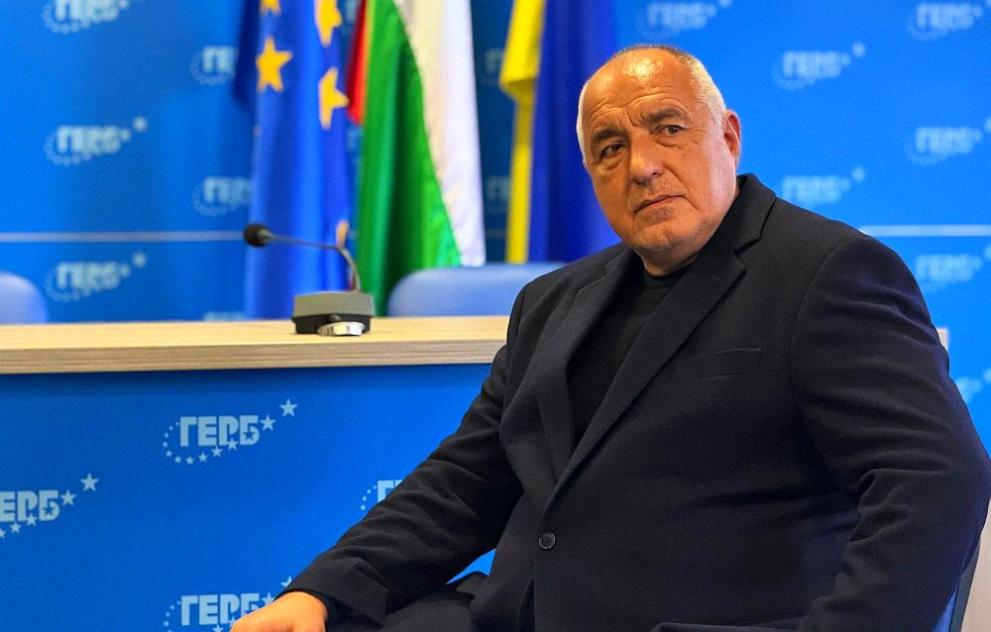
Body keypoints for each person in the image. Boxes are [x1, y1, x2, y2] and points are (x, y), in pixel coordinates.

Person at [233, 46, 991, 632]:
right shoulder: (552, 302)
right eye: (609, 147)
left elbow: (935, 477)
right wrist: (320, 592)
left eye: (668, 128)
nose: (643, 166)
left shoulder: (827, 272)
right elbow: (464, 481)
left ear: (727, 136)